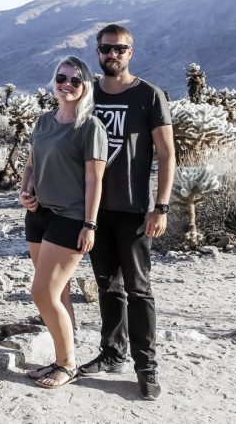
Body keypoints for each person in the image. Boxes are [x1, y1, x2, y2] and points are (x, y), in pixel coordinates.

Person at [80, 23, 175, 401]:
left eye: (120, 49)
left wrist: (161, 207)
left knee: (139, 289)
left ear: (130, 52)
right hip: (93, 209)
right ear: (97, 52)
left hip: (134, 209)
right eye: (106, 49)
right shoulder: (88, 95)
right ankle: (112, 352)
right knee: (107, 286)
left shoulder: (148, 96)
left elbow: (167, 154)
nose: (112, 55)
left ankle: (146, 365)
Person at [18, 55, 108, 389]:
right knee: (60, 293)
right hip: (38, 215)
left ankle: (68, 365)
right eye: (61, 78)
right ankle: (61, 358)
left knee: (42, 293)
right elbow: (30, 163)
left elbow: (94, 181)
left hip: (70, 218)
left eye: (74, 80)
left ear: (86, 86)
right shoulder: (44, 121)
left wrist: (90, 224)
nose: (66, 85)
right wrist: (24, 191)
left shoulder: (90, 127)